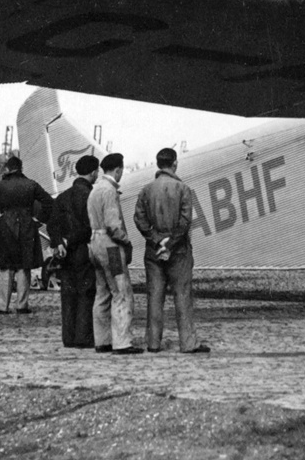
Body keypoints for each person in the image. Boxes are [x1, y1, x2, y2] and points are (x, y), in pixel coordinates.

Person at [133, 147, 209, 354]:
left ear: (158, 164)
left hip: (153, 251)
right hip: (179, 251)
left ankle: (153, 343)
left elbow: (139, 219)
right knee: (182, 295)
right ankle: (188, 343)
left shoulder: (145, 190)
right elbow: (185, 222)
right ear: (174, 163)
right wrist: (170, 242)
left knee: (154, 297)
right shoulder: (183, 189)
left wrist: (156, 240)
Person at [0, 155, 55, 315]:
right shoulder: (31, 184)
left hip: (6, 225)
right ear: (21, 168)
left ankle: (2, 305)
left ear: (8, 169)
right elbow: (49, 202)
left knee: (7, 266)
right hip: (27, 225)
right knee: (24, 265)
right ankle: (22, 305)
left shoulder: (0, 185)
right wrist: (39, 219)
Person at [87, 153, 143, 354]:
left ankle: (102, 341)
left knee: (102, 293)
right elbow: (113, 225)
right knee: (121, 293)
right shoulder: (110, 191)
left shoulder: (95, 190)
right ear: (118, 169)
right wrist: (127, 241)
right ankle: (122, 343)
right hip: (110, 246)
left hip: (94, 243)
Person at [50, 154, 99, 349]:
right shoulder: (90, 196)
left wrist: (58, 242)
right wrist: (69, 240)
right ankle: (83, 336)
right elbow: (90, 227)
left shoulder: (63, 196)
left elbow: (52, 223)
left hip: (65, 254)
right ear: (94, 173)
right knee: (86, 293)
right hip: (83, 249)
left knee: (68, 293)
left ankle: (68, 337)